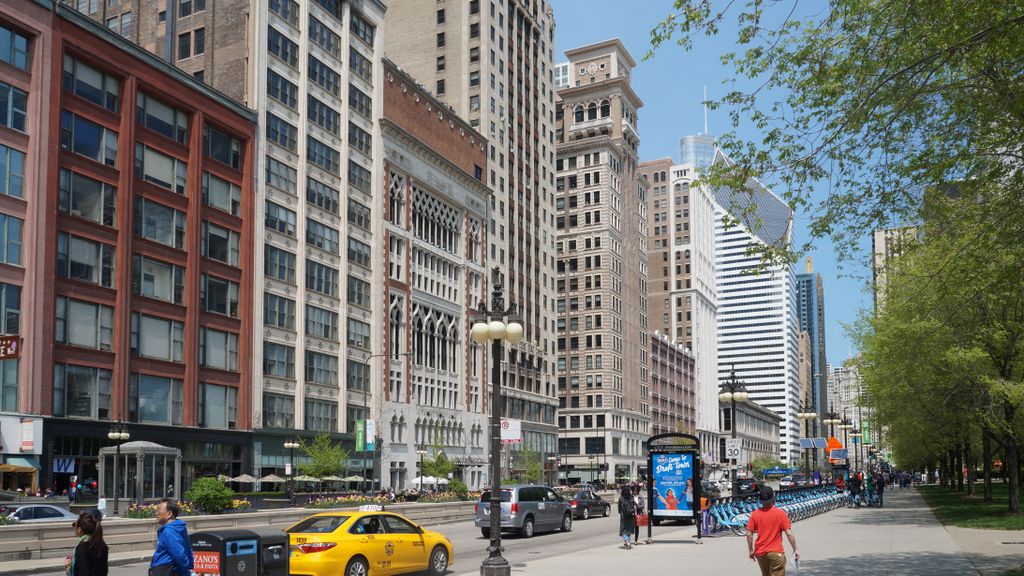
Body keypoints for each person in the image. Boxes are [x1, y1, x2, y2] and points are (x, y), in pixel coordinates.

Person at [746, 486, 799, 576]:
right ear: (773, 499)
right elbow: (789, 533)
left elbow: (749, 535)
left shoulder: (755, 514)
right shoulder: (780, 514)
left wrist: (751, 550)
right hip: (776, 553)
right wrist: (795, 549)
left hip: (760, 553)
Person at [149, 500, 193, 576]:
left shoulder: (169, 531)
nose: (156, 513)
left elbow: (179, 555)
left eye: (159, 510)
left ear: (169, 514)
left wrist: (184, 572)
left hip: (165, 571)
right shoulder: (177, 528)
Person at [66, 511, 108, 576]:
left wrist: (69, 569)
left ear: (80, 529)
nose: (74, 527)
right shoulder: (101, 544)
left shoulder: (82, 548)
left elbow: (84, 573)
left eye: (74, 524)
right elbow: (104, 571)